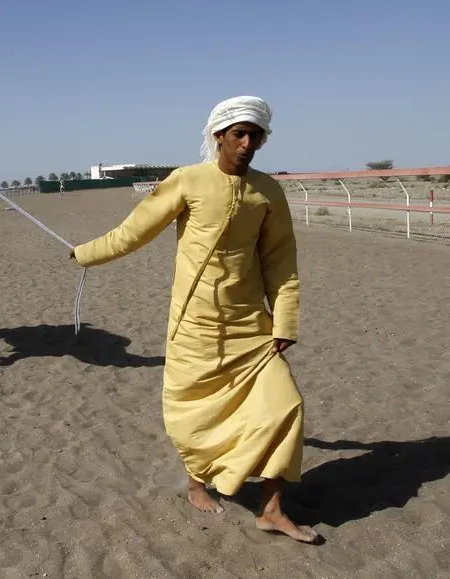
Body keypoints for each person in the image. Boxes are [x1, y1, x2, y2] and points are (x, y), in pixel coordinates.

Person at [70, 96, 319, 544]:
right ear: (218, 136)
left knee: (286, 406)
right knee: (195, 409)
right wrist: (83, 253)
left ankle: (271, 510)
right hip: (194, 325)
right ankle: (195, 483)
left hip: (250, 327)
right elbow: (134, 231)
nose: (246, 143)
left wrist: (284, 322)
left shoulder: (268, 192)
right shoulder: (186, 181)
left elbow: (281, 261)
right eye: (238, 134)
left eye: (254, 135)